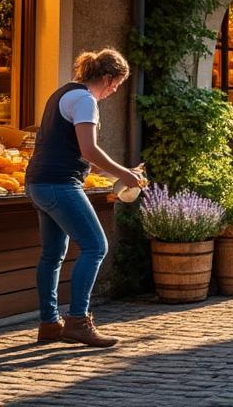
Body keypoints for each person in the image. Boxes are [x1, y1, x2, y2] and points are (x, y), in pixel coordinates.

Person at [24, 48, 146, 347]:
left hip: (38, 182)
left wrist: (120, 173)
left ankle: (50, 324)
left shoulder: (63, 94)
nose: (114, 91)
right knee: (96, 246)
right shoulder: (85, 100)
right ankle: (78, 321)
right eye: (116, 85)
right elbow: (89, 150)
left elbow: (75, 152)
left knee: (52, 254)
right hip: (59, 185)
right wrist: (126, 175)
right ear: (106, 78)